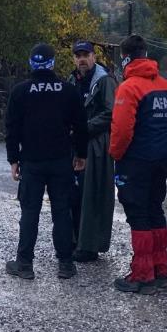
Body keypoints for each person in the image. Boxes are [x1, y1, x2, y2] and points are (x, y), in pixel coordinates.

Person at [4, 42, 88, 280]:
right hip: (61, 161)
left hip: (32, 161)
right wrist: (81, 155)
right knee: (62, 212)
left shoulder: (20, 91)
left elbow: (11, 128)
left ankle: (24, 264)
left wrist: (13, 159)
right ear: (52, 63)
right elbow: (81, 126)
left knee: (29, 212)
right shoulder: (67, 90)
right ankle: (65, 264)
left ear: (31, 63)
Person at [110, 34, 167, 294]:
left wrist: (116, 155)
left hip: (135, 161)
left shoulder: (129, 88)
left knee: (137, 215)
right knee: (155, 211)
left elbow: (122, 130)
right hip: (160, 160)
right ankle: (161, 271)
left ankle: (142, 275)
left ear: (125, 57)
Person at [67, 40, 117, 262]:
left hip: (96, 144)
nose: (81, 59)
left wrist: (82, 129)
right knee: (74, 194)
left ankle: (89, 245)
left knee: (93, 195)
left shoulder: (104, 81)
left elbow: (110, 112)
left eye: (85, 54)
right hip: (75, 143)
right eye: (78, 56)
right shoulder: (72, 79)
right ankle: (73, 240)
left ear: (94, 57)